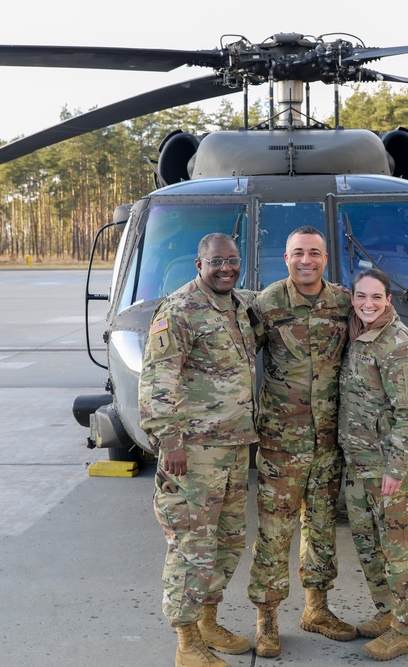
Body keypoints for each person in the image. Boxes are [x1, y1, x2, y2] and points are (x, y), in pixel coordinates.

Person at [139, 233, 260, 667]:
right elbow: (157, 380)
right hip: (193, 452)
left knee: (227, 543)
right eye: (216, 262)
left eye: (232, 261)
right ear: (199, 264)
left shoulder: (239, 306)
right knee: (192, 546)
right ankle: (187, 642)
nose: (225, 269)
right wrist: (169, 441)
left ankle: (209, 621)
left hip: (233, 446)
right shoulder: (179, 311)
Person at [247, 226, 357, 657]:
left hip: (328, 440)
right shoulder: (268, 303)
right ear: (286, 258)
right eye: (297, 253)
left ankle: (316, 609)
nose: (306, 260)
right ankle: (267, 619)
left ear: (325, 259)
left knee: (323, 529)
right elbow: (237, 355)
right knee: (275, 532)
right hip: (281, 443)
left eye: (314, 253)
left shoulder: (344, 303)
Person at [339, 268, 408, 661]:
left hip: (389, 471)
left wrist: (397, 469)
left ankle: (406, 630)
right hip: (360, 466)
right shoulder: (360, 335)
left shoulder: (401, 345)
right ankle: (388, 613)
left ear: (388, 299)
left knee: (400, 553)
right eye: (361, 296)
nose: (368, 304)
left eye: (376, 297)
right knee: (370, 548)